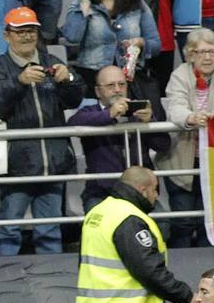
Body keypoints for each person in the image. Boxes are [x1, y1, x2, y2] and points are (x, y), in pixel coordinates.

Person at [0, 6, 81, 257]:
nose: (26, 36)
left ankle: (53, 285)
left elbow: (74, 100)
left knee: (50, 231)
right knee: (8, 229)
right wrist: (19, 82)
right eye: (20, 32)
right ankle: (4, 281)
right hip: (18, 165)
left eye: (31, 31)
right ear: (6, 36)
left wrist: (68, 79)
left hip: (54, 162)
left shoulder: (52, 62)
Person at [75, 164, 192, 303]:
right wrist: (188, 296)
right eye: (155, 189)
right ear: (143, 190)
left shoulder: (98, 212)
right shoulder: (129, 218)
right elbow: (149, 270)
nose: (156, 196)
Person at [161, 28, 214, 248]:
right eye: (202, 52)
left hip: (213, 159)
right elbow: (175, 109)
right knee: (183, 220)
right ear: (191, 54)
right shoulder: (180, 75)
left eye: (213, 52)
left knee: (210, 218)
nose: (207, 57)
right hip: (182, 158)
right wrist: (191, 117)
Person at [67, 64, 166, 213]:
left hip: (140, 192)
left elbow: (163, 145)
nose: (118, 89)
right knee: (97, 227)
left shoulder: (139, 112)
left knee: (163, 223)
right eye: (110, 85)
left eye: (121, 84)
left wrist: (150, 122)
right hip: (102, 193)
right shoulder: (90, 112)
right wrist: (109, 114)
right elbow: (72, 124)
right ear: (97, 91)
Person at [63, 0, 161, 89]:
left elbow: (156, 44)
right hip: (93, 80)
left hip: (130, 79)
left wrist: (141, 43)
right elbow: (72, 37)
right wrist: (85, 0)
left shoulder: (136, 2)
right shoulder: (81, 3)